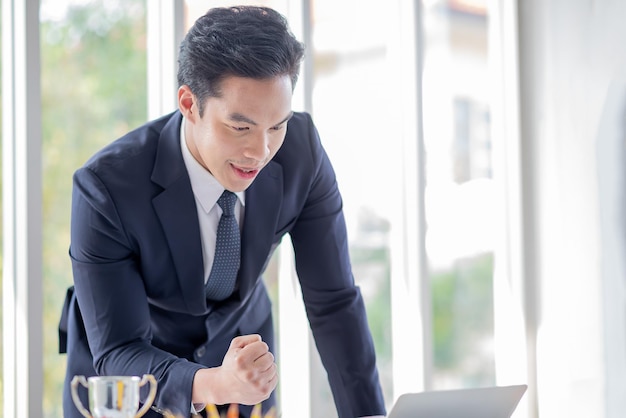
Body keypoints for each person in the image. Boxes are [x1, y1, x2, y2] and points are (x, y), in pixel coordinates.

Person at [59, 5, 386, 418]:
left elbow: (334, 303)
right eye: (240, 127)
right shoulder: (105, 187)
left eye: (276, 125)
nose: (261, 152)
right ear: (189, 103)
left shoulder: (301, 152)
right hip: (131, 379)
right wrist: (215, 381)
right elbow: (120, 348)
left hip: (242, 365)